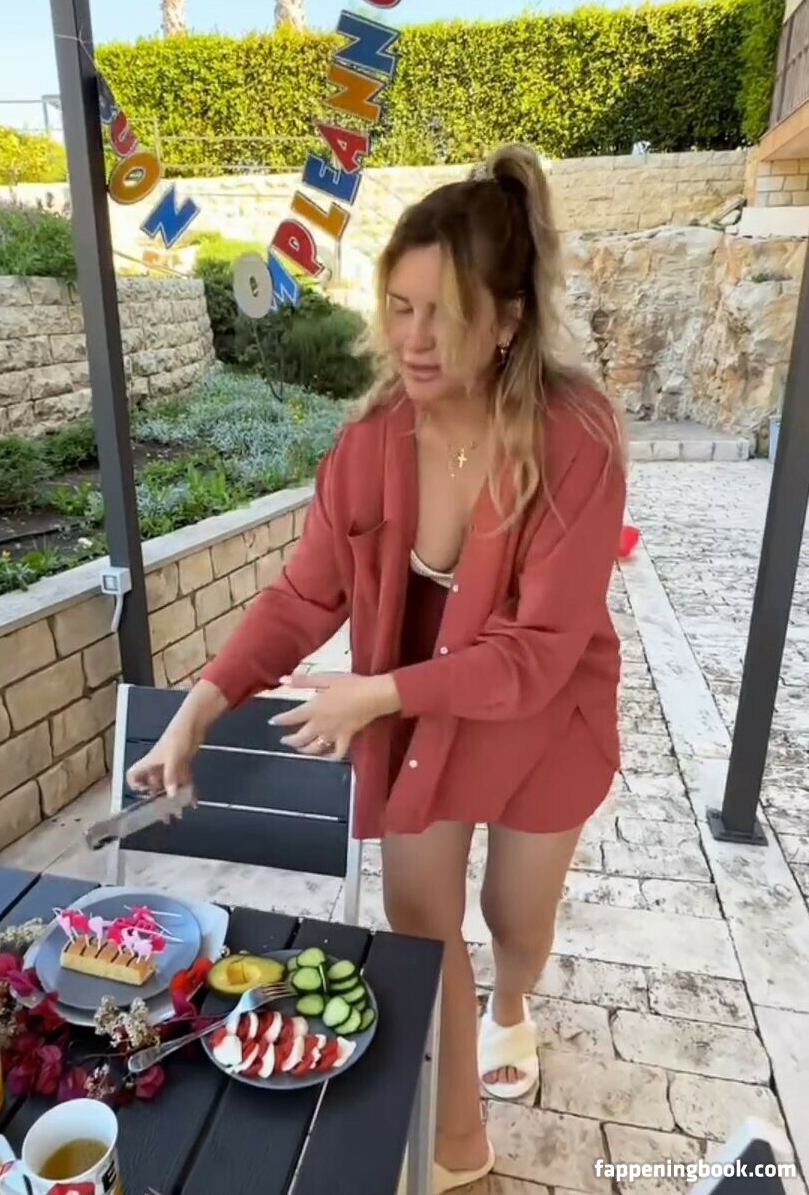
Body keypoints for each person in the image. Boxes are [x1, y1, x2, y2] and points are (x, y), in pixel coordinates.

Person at [129, 144, 626, 1192]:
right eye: (399, 306)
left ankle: (512, 1001)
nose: (414, 338)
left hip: (542, 720)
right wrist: (200, 708)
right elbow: (300, 595)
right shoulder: (369, 443)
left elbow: (537, 655)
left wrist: (377, 693)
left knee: (515, 920)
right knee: (419, 922)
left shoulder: (576, 439)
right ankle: (459, 1144)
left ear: (506, 320)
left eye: (444, 312)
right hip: (417, 721)